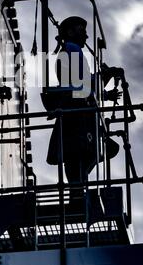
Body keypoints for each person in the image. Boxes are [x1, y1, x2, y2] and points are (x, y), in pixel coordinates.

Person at [46, 16, 122, 200]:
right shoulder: (72, 50)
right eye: (82, 30)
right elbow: (81, 86)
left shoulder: (70, 51)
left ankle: (77, 192)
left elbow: (82, 86)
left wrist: (104, 90)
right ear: (70, 32)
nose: (87, 36)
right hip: (77, 117)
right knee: (79, 155)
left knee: (87, 154)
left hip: (79, 115)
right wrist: (105, 76)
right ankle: (77, 193)